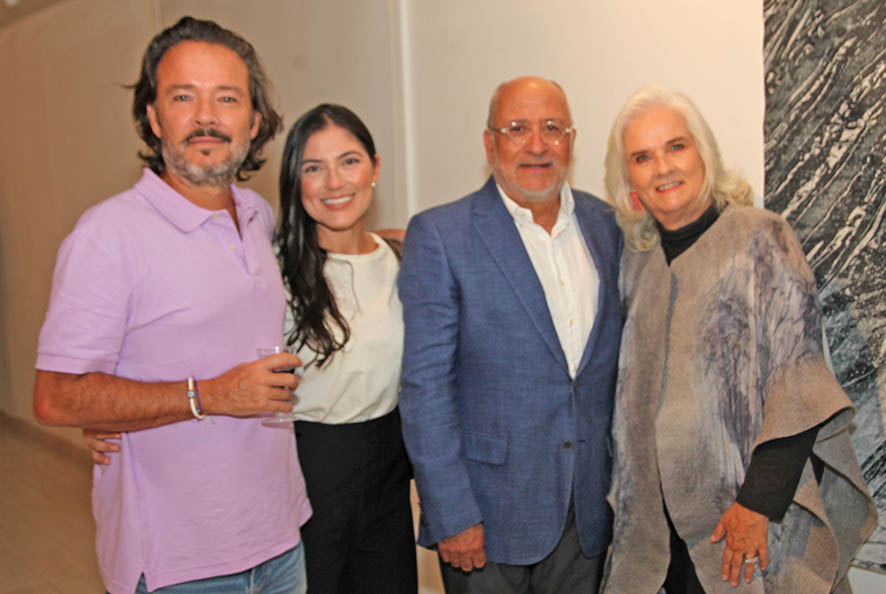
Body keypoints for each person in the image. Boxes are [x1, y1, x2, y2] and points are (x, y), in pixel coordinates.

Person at [32, 16, 311, 594]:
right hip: (178, 566)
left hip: (280, 539)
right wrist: (207, 396)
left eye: (227, 98)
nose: (206, 117)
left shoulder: (256, 217)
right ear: (156, 116)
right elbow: (56, 396)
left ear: (254, 121)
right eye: (184, 97)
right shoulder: (108, 235)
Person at [599, 85, 877, 593]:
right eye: (643, 156)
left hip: (744, 527)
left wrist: (757, 506)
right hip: (657, 542)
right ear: (629, 178)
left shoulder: (761, 238)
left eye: (676, 147)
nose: (662, 168)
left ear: (703, 152)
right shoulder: (634, 263)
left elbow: (799, 384)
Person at [397, 76, 623, 593]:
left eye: (552, 128)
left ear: (572, 139)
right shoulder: (441, 235)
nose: (537, 144)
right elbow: (424, 389)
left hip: (586, 515)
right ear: (489, 142)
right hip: (485, 519)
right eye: (517, 128)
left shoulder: (609, 226)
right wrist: (451, 513)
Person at [277, 104, 417, 593]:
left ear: (375, 168)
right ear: (296, 182)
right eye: (313, 168)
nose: (334, 182)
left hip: (388, 471)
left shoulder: (404, 259)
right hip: (304, 469)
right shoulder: (274, 274)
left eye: (349, 161)